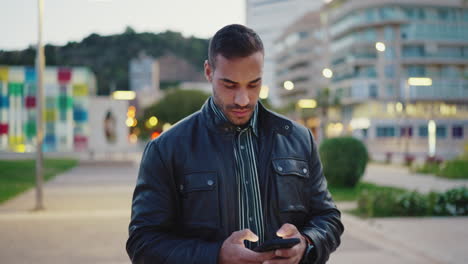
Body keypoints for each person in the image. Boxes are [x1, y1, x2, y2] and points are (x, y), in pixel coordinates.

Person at [126, 24, 344, 264]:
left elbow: (328, 218)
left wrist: (306, 244)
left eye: (253, 85)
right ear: (209, 72)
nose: (243, 99)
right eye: (229, 85)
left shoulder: (299, 139)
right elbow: (143, 243)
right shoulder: (166, 149)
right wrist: (216, 255)